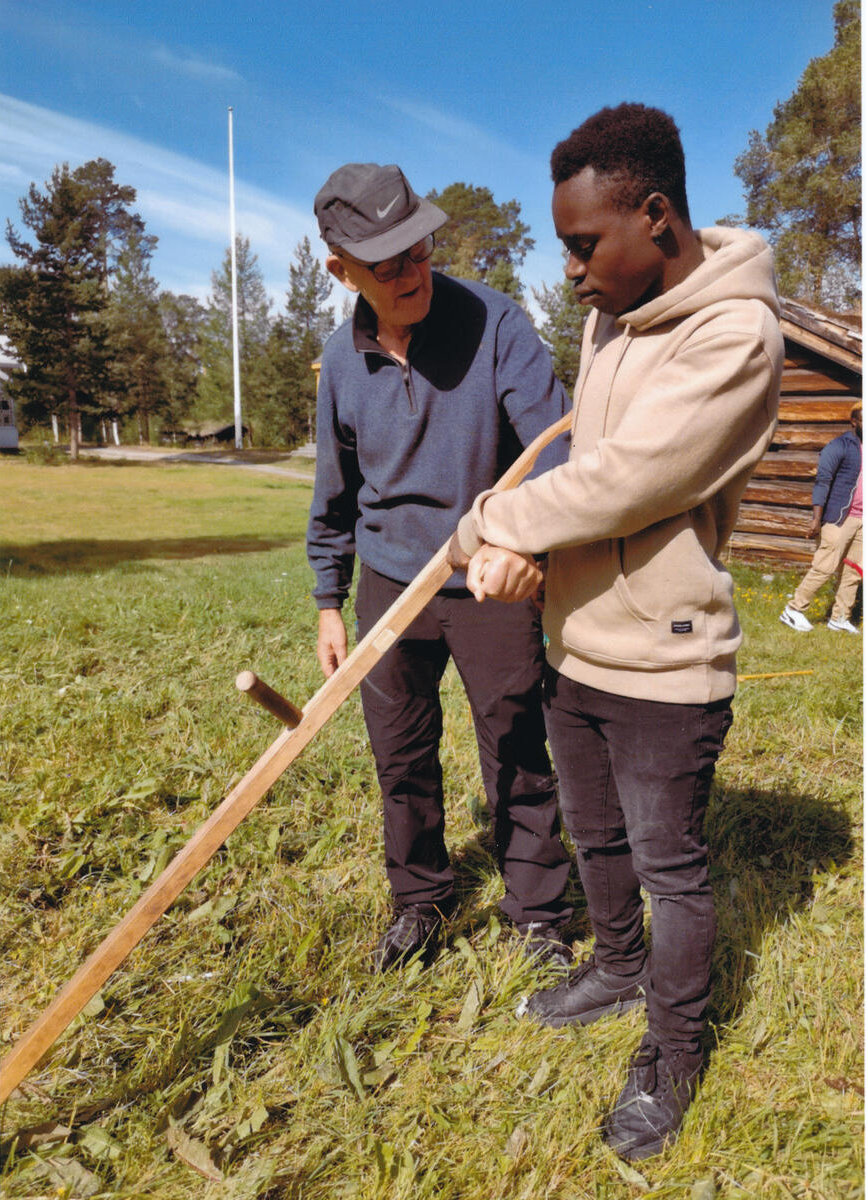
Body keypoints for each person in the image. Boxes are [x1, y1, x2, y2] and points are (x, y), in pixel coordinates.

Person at [449, 103, 784, 1162]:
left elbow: (632, 481)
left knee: (669, 862)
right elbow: (579, 478)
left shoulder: (737, 334)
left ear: (657, 215)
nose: (577, 272)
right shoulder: (607, 320)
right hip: (577, 642)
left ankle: (674, 1053)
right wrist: (533, 552)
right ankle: (617, 966)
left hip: (668, 660)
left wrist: (493, 525)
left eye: (587, 244)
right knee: (595, 834)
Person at [307, 161, 574, 973]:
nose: (412, 271)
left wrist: (519, 542)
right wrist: (329, 600)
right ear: (339, 268)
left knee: (517, 746)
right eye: (387, 262)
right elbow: (336, 489)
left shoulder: (495, 325)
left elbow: (557, 448)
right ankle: (419, 902)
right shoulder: (341, 359)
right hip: (390, 587)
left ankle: (536, 914)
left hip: (487, 580)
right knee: (400, 754)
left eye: (419, 248)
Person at [780, 402, 862, 634]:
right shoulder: (839, 446)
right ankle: (793, 610)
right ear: (853, 422)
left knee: (854, 571)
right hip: (838, 518)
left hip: (862, 520)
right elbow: (822, 482)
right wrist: (816, 520)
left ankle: (840, 618)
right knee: (824, 567)